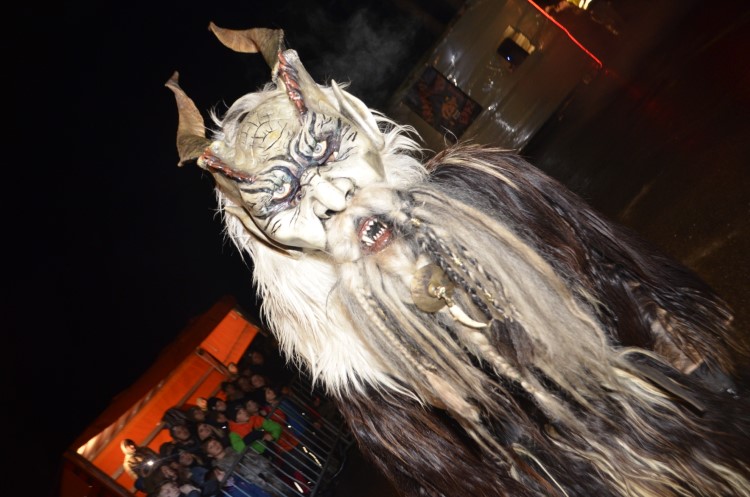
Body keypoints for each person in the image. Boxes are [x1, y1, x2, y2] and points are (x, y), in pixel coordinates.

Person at [201, 435, 287, 497]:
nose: (215, 446)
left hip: (264, 471)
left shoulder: (232, 448)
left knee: (284, 489)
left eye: (215, 443)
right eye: (211, 447)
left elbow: (251, 454)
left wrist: (264, 463)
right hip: (252, 483)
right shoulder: (218, 467)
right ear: (209, 454)